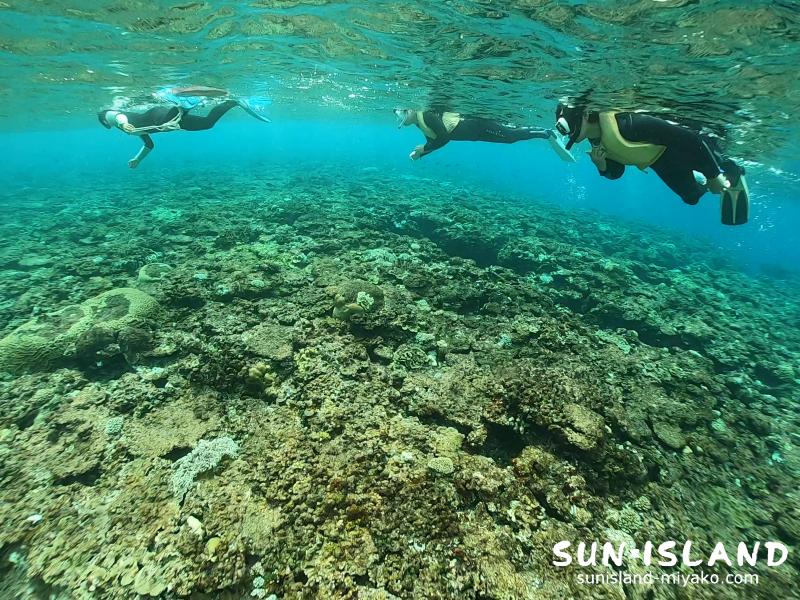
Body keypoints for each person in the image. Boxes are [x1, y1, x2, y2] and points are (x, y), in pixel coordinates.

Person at [554, 103, 750, 225]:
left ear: (586, 114)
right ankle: (704, 177)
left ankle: (731, 170)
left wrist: (713, 175)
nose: (567, 134)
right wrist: (601, 165)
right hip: (660, 162)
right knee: (691, 198)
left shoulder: (630, 124)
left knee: (715, 157)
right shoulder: (595, 139)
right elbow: (617, 171)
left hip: (683, 148)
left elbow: (690, 139)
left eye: (567, 126)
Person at [97, 86, 270, 168]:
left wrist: (123, 123)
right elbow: (149, 144)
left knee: (166, 120)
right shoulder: (134, 131)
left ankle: (184, 104)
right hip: (169, 124)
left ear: (104, 123)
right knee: (207, 123)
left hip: (157, 117)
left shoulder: (109, 117)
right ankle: (233, 102)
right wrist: (137, 159)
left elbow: (115, 115)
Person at [394, 108, 569, 161]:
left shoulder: (426, 115)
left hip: (477, 126)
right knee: (510, 136)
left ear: (410, 110)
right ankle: (545, 133)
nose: (401, 117)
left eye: (403, 113)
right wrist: (421, 153)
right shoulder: (420, 123)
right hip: (476, 134)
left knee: (510, 136)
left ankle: (547, 133)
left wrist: (424, 150)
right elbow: (436, 140)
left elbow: (444, 138)